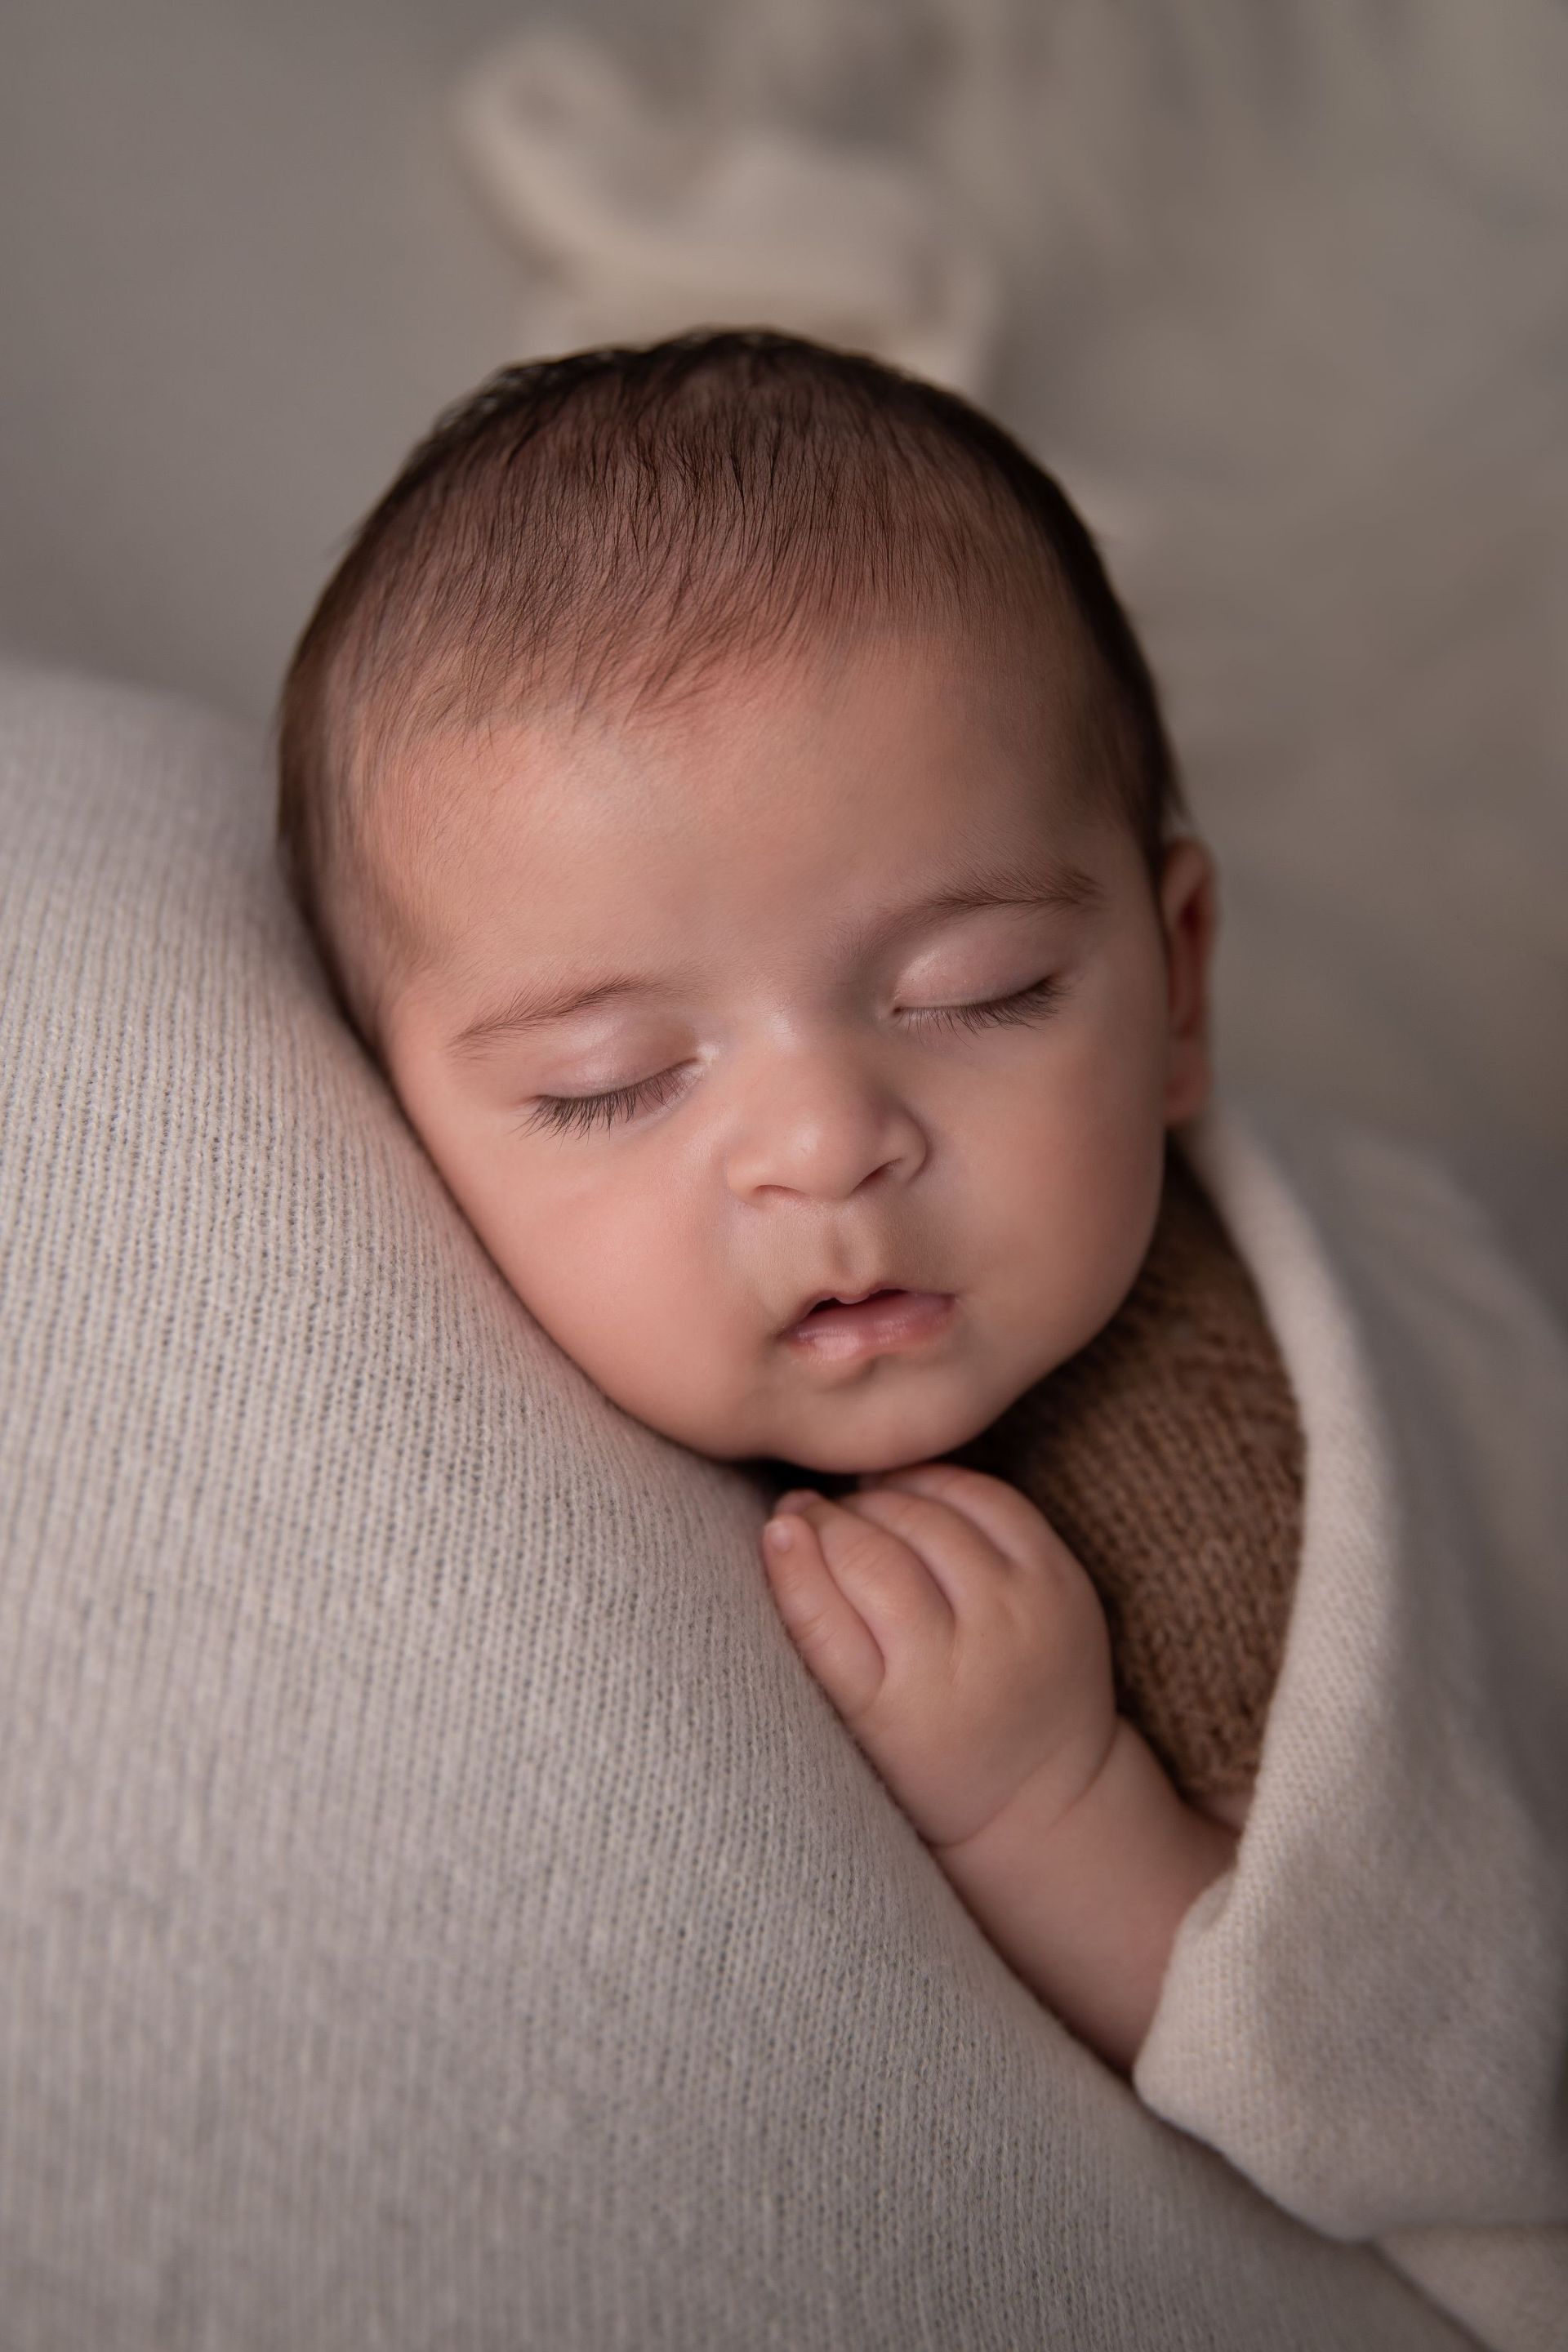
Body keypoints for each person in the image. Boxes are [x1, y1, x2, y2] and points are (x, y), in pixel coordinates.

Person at [274, 329, 1566, 2350]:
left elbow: (1461, 2077)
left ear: (1177, 982)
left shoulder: (1237, 1514)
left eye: (975, 989)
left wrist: (1060, 1812)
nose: (825, 1144)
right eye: (617, 1081)